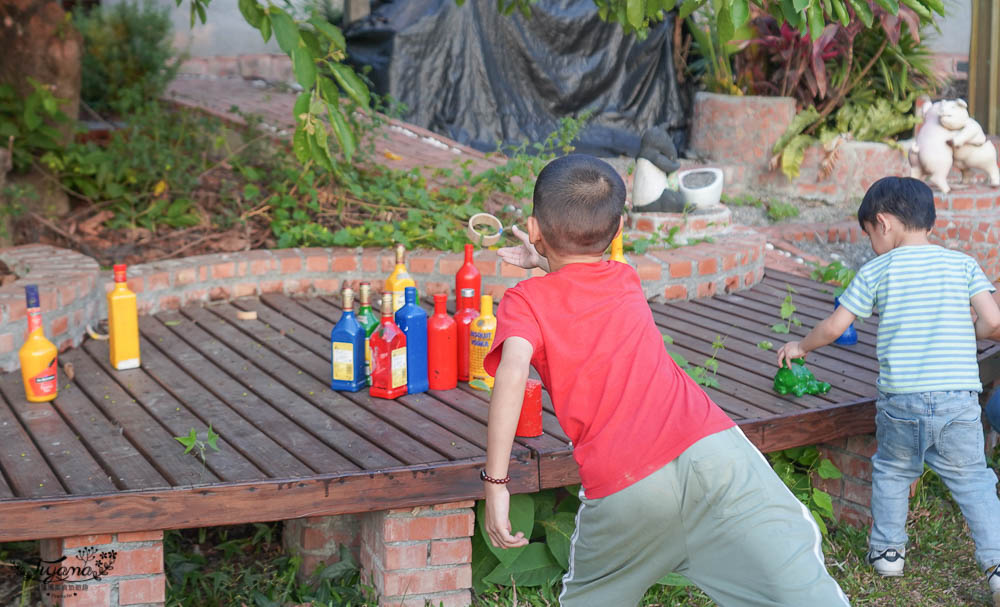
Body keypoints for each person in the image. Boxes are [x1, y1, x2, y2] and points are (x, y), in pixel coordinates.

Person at [482, 154, 849, 607]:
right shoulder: (626, 278)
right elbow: (582, 283)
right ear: (617, 233)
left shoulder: (524, 302)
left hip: (626, 485)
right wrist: (543, 261)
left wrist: (496, 484)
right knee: (801, 589)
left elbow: (514, 370)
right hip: (713, 453)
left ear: (534, 227)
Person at [776, 176, 1000, 605]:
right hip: (957, 399)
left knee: (894, 471)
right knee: (973, 480)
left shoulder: (878, 269)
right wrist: (967, 333)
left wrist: (800, 346)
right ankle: (996, 565)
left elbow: (838, 326)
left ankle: (889, 554)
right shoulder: (963, 264)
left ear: (883, 223)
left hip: (902, 399)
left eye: (868, 234)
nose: (870, 244)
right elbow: (991, 322)